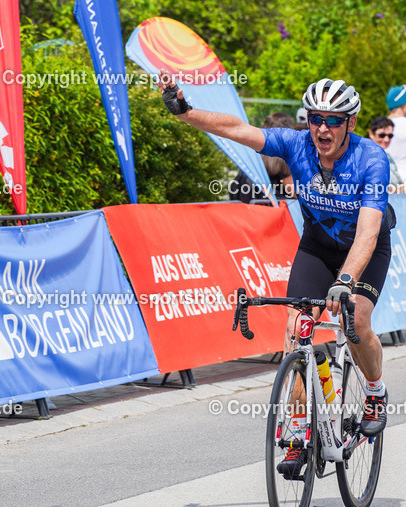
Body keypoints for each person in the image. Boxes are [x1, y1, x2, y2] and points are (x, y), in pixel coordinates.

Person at [159, 74, 391, 479]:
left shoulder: (371, 159)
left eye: (333, 120)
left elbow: (369, 231)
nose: (323, 128)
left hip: (364, 249)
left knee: (358, 323)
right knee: (297, 328)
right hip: (317, 246)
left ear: (350, 124)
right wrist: (185, 111)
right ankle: (299, 429)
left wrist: (346, 280)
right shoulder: (295, 143)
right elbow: (237, 129)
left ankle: (374, 390)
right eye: (316, 118)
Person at [228, 112, 295, 202]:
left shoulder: (251, 153)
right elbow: (298, 193)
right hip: (273, 210)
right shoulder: (288, 159)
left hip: (246, 205)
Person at [368, 116, 406, 192]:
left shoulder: (387, 156)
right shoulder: (364, 156)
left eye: (390, 136)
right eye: (382, 135)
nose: (386, 139)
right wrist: (396, 190)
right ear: (371, 134)